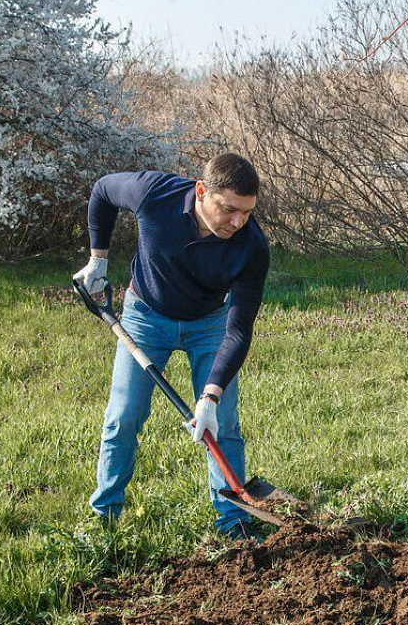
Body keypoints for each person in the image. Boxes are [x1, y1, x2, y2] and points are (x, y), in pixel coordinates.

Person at [72, 153, 271, 541]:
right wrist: (98, 258)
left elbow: (238, 330)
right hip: (146, 316)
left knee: (223, 425)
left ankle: (233, 523)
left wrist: (210, 397)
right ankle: (104, 517)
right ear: (201, 192)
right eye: (230, 210)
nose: (238, 222)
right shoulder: (154, 194)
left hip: (210, 325)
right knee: (123, 417)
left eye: (246, 212)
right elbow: (102, 191)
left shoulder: (251, 247)